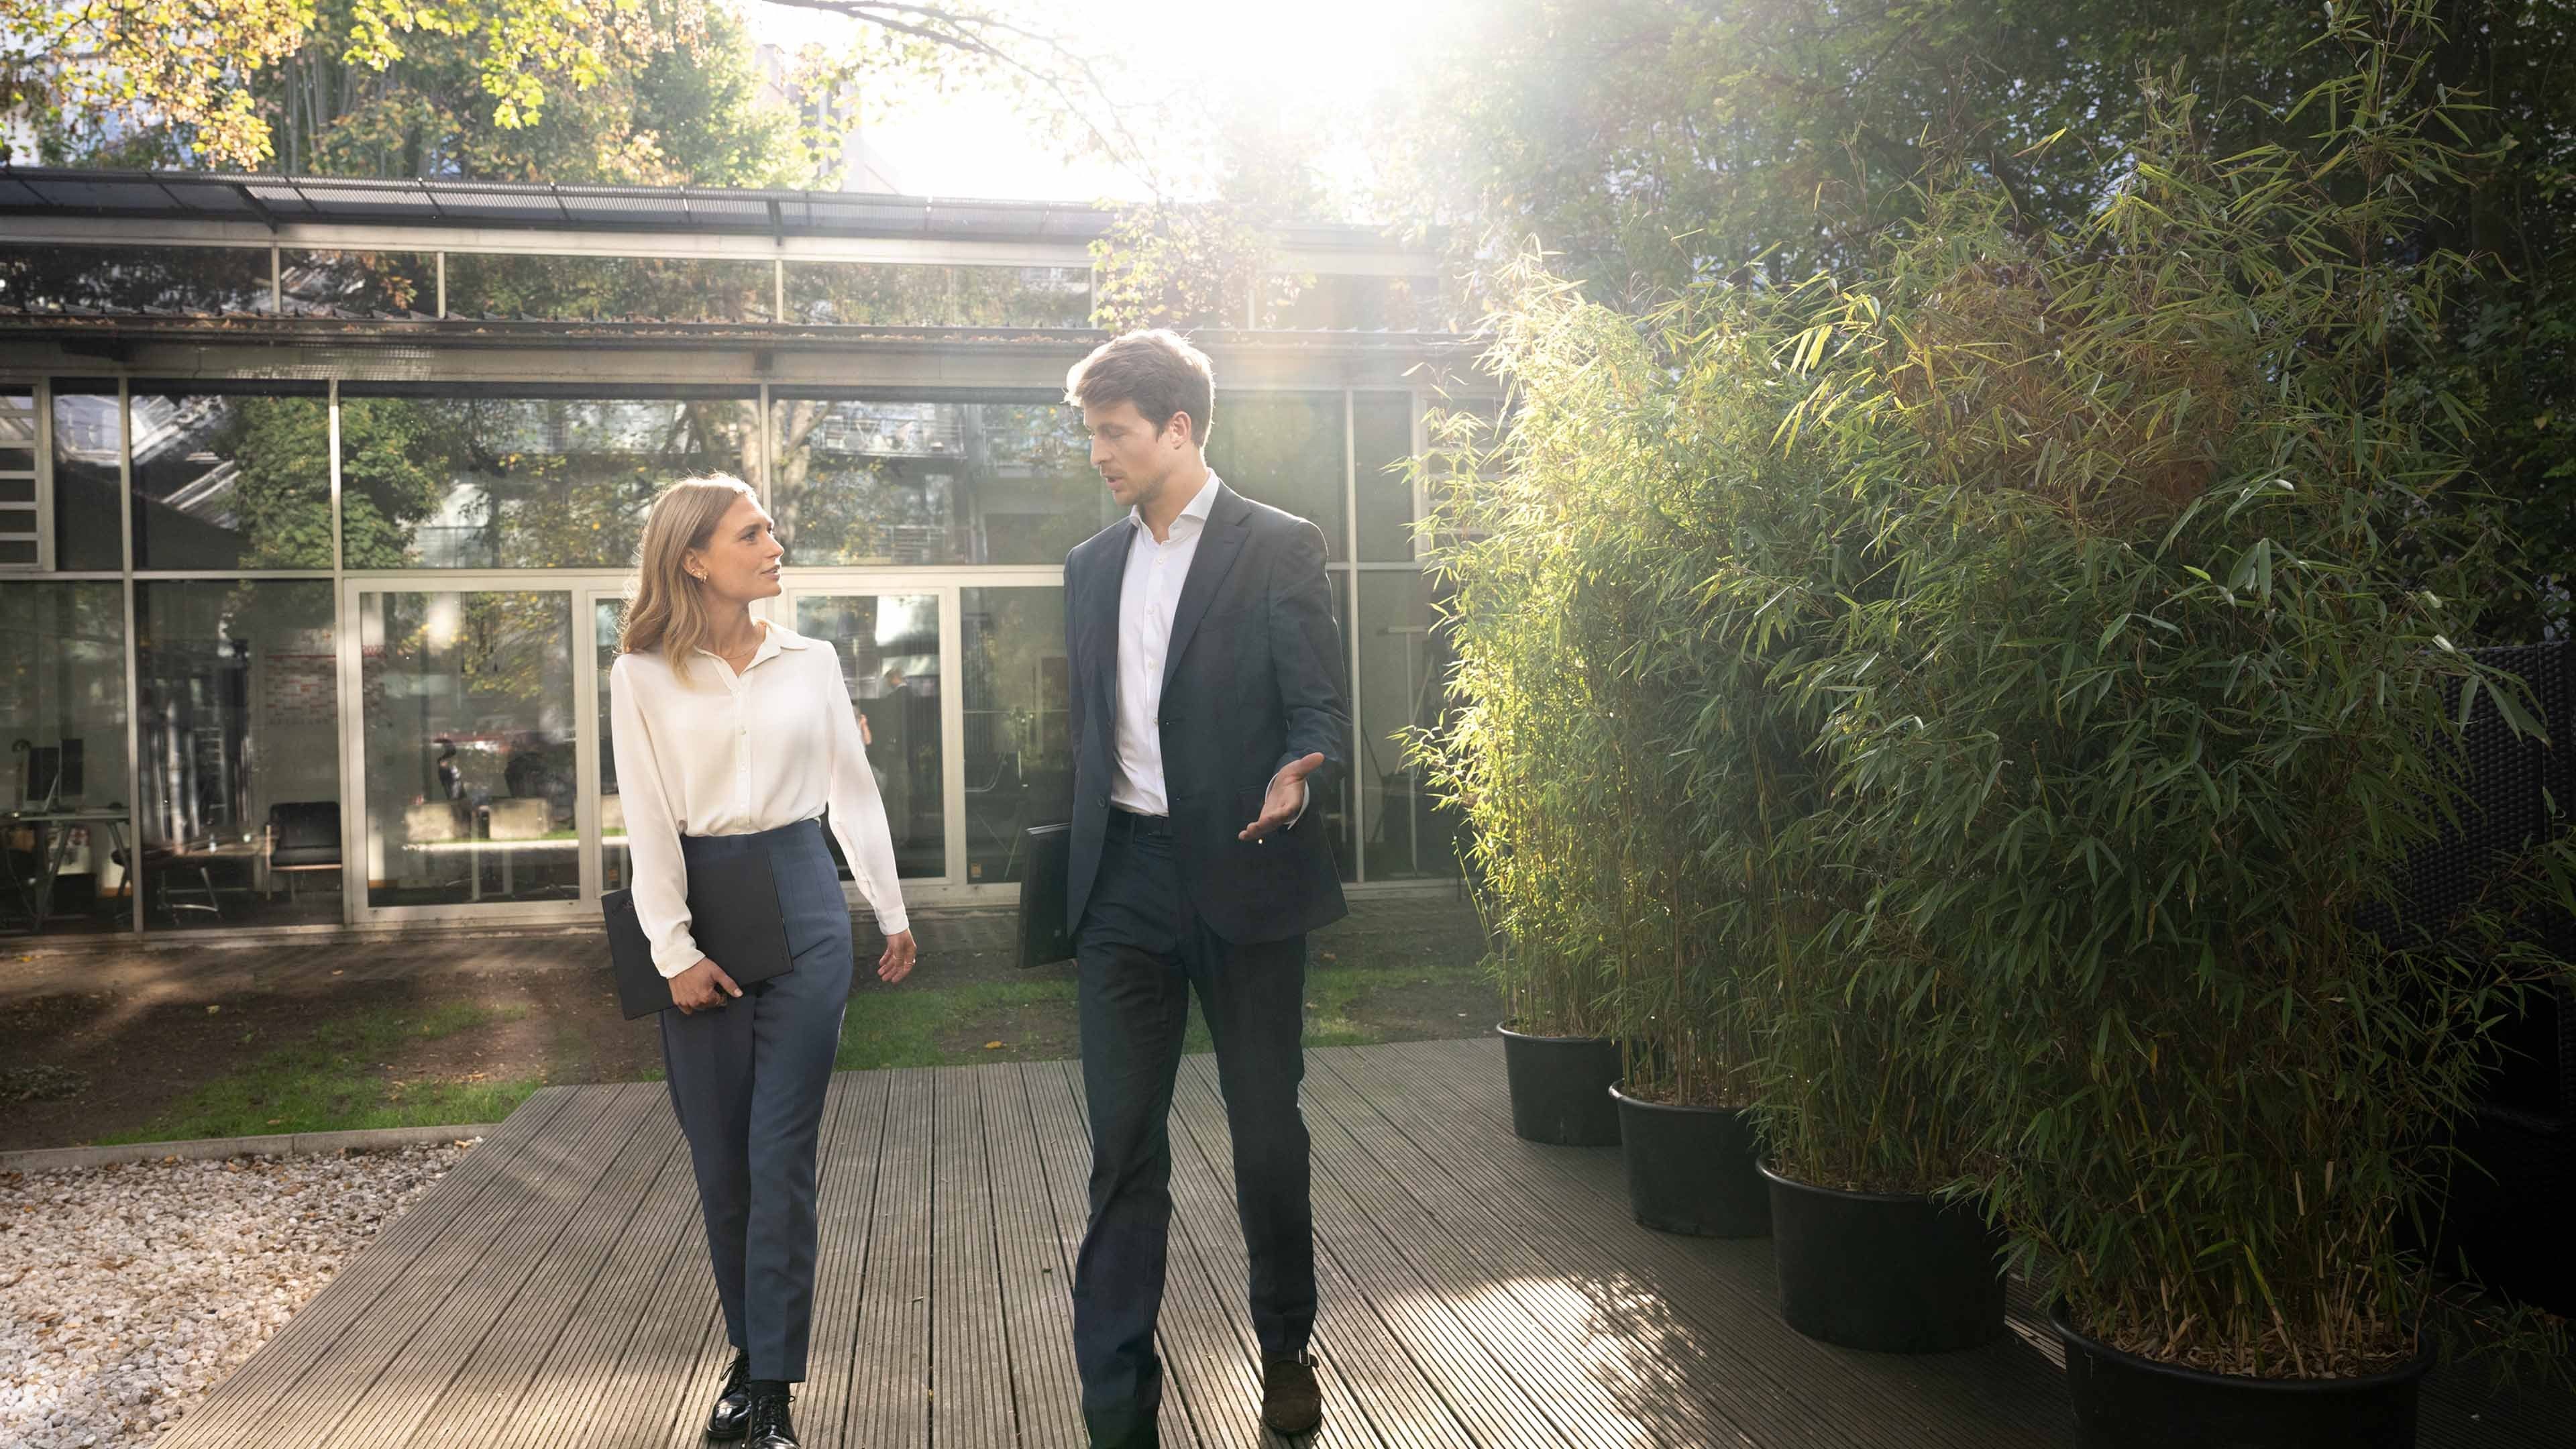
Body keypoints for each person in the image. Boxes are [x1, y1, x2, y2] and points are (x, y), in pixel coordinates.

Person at [1059, 329, 1350, 1446]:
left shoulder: (1277, 545)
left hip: (1245, 870)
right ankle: (1118, 1404)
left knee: (1266, 1130)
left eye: (1115, 432)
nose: (1100, 454)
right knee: (1123, 1144)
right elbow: (1093, 733)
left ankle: (1285, 1344)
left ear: (1178, 428)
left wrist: (1300, 768)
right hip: (1124, 884)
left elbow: (1317, 702)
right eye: (1093, 433)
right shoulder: (1091, 568)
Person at [608, 474, 919, 1449]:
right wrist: (673, 951)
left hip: (803, 900)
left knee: (780, 1155)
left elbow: (851, 792)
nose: (775, 544)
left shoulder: (813, 660)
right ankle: (750, 1361)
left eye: (772, 529)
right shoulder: (643, 675)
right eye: (753, 533)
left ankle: (773, 1395)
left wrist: (890, 909)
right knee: (723, 1164)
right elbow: (648, 824)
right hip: (698, 908)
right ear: (695, 558)